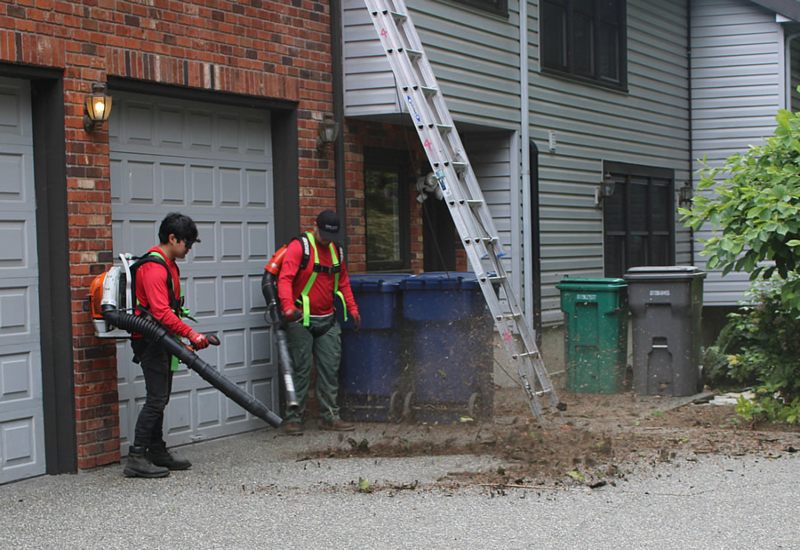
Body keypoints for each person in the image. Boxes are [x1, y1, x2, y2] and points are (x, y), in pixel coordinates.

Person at [123, 212, 209, 478]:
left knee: (161, 397)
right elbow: (160, 312)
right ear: (173, 238)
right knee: (156, 398)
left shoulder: (170, 264)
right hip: (150, 341)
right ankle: (137, 456)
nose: (190, 248)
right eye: (188, 243)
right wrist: (191, 335)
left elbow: (170, 311)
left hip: (163, 339)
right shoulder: (153, 267)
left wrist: (183, 337)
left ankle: (156, 450)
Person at [277, 210, 360, 435]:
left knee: (330, 369)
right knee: (301, 369)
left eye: (330, 235)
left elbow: (342, 281)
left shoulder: (336, 252)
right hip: (300, 318)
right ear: (315, 226)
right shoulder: (300, 247)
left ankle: (330, 417)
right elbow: (285, 279)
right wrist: (287, 306)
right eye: (323, 234)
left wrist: (352, 308)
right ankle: (294, 418)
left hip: (327, 319)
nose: (326, 239)